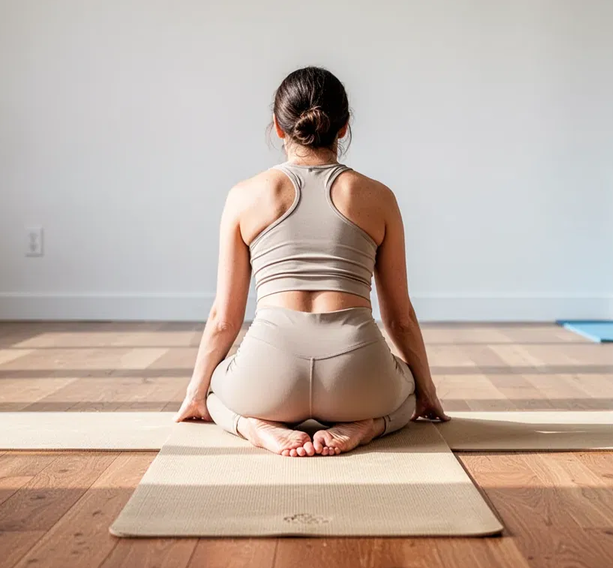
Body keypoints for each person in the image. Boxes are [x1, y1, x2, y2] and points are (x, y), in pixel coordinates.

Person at [175, 66, 448, 456]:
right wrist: (428, 393)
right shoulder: (378, 196)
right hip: (356, 376)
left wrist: (196, 393)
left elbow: (225, 319)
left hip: (270, 376)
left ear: (278, 127)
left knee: (216, 391)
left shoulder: (245, 195)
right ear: (343, 127)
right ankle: (369, 426)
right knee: (408, 395)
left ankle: (253, 427)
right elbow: (399, 317)